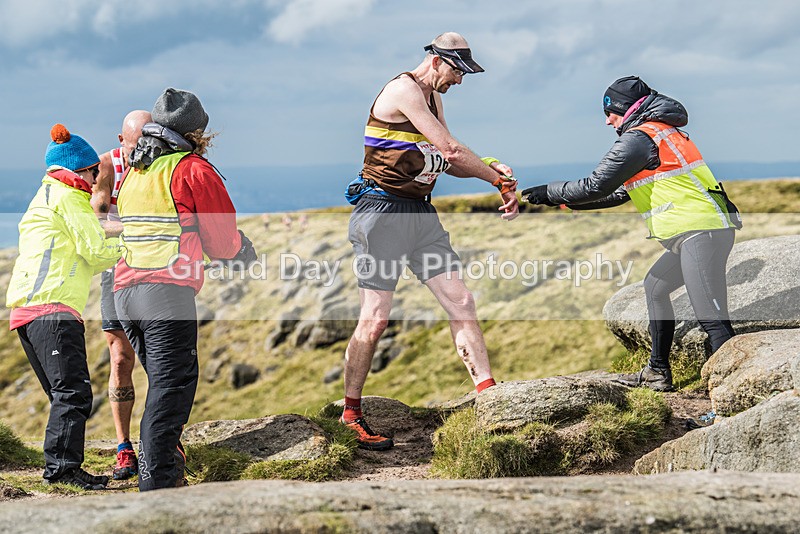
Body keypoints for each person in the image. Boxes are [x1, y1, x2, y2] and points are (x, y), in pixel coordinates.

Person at [342, 32, 519, 450]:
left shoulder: (434, 99)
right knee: (376, 318)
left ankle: (488, 397)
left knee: (462, 301)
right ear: (437, 60)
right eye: (458, 71)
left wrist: (490, 165)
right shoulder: (403, 90)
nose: (460, 81)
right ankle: (351, 414)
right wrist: (497, 180)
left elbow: (446, 161)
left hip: (421, 213)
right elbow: (452, 150)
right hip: (381, 212)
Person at [522, 76, 740, 392]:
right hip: (698, 232)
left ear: (627, 108)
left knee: (713, 320)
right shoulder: (659, 132)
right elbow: (619, 192)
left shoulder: (638, 139)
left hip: (700, 233)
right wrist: (567, 203)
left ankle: (733, 399)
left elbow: (595, 184)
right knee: (655, 287)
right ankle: (657, 372)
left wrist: (551, 191)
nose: (607, 119)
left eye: (611, 111)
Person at [113, 88, 257, 491]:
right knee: (173, 385)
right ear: (196, 132)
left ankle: (162, 465)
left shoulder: (136, 172)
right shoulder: (192, 169)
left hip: (126, 293)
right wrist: (241, 250)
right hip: (164, 293)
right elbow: (221, 239)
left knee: (161, 384)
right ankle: (158, 484)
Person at [6, 124, 122, 489]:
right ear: (79, 169)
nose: (94, 180)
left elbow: (79, 257)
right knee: (73, 392)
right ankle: (62, 471)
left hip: (28, 312)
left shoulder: (45, 195)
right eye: (92, 172)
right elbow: (96, 251)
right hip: (52, 310)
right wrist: (132, 249)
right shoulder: (70, 198)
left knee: (63, 393)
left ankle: (62, 467)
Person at [91, 110, 151, 480]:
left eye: (147, 142)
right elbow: (97, 218)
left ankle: (160, 439)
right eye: (134, 145)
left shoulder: (163, 160)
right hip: (116, 270)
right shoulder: (106, 165)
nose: (141, 151)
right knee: (119, 359)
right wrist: (138, 227)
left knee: (160, 357)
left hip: (157, 273)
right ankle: (124, 446)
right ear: (120, 141)